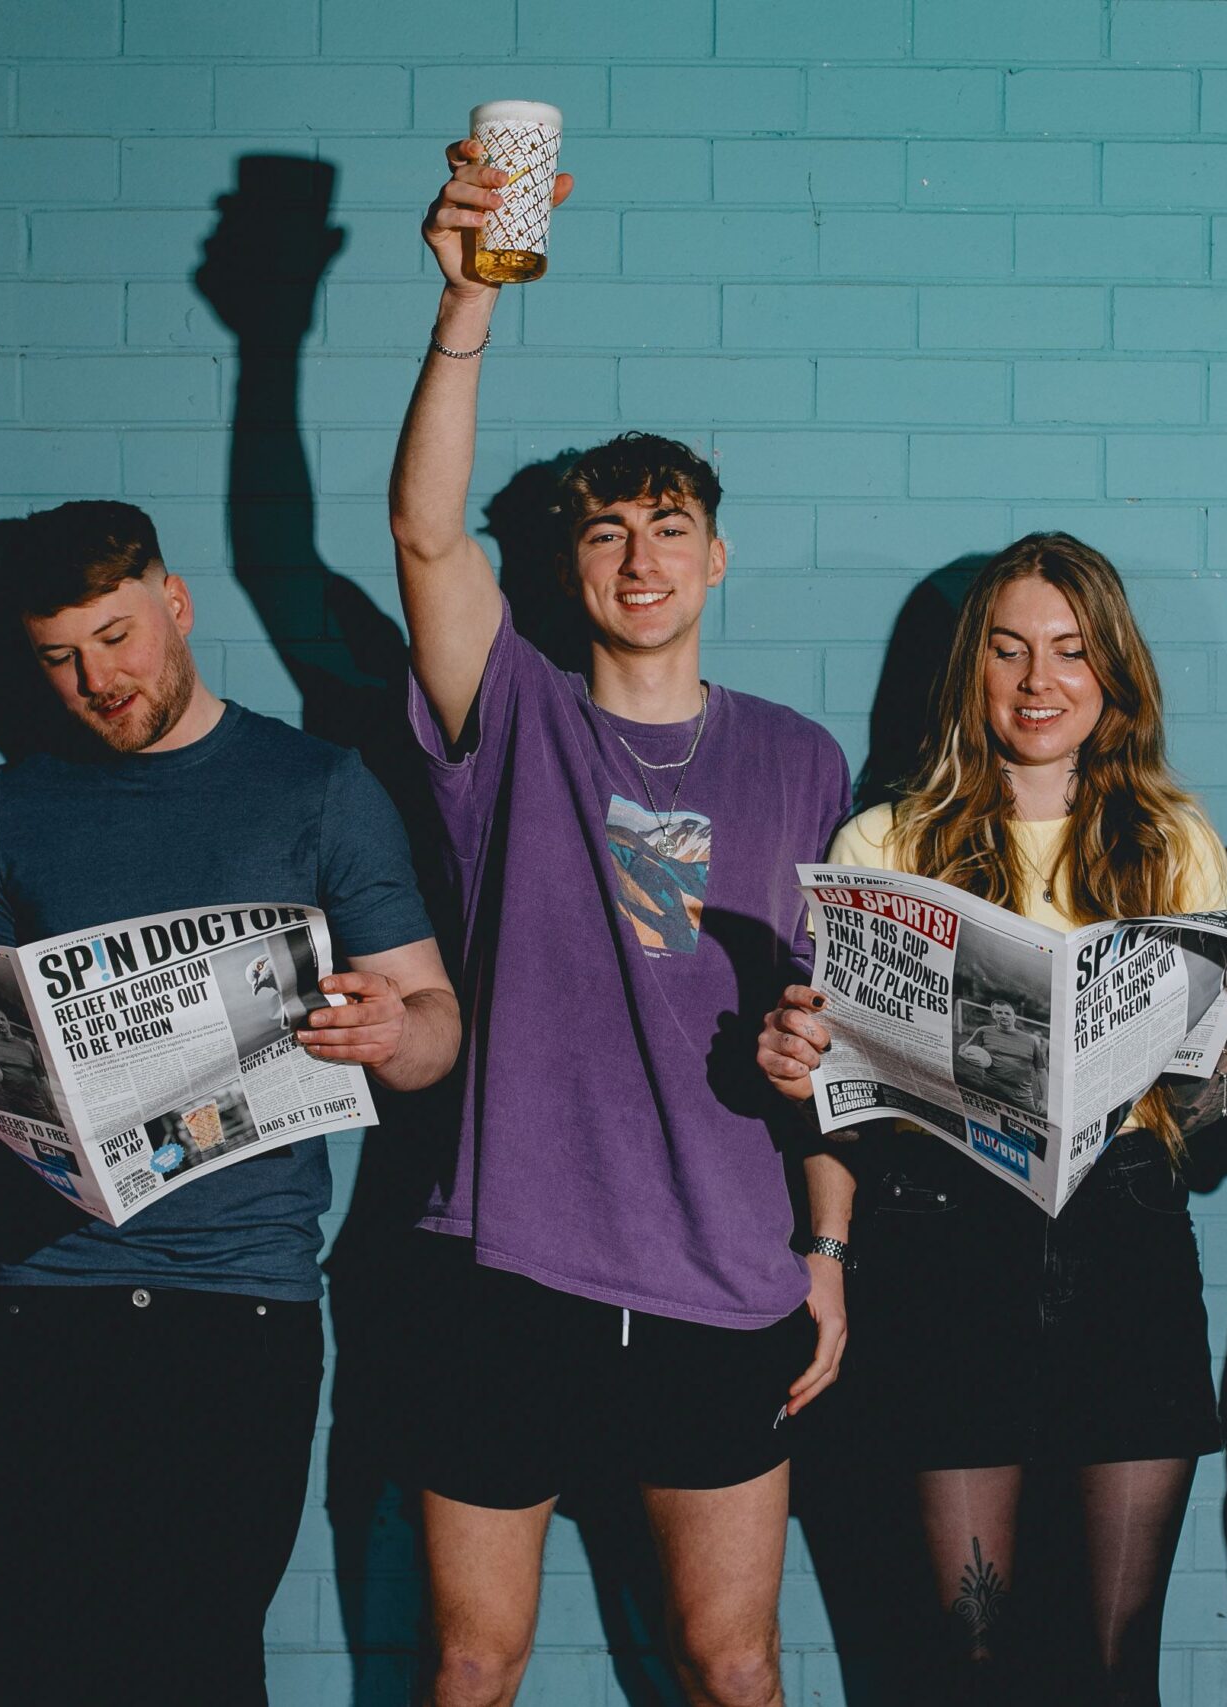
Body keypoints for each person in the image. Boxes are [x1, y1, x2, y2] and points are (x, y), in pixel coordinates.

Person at [0, 499, 460, 1705]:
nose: (95, 680)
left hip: (236, 1306)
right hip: (29, 1308)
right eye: (59, 658)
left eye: (116, 638)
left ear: (173, 606)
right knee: (21, 1667)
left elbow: (434, 1028)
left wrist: (391, 1029)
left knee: (198, 1663)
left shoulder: (319, 787)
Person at [392, 139, 859, 1707]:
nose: (641, 557)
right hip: (507, 1261)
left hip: (726, 1267)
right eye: (607, 532)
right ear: (569, 568)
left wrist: (828, 1243)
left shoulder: (799, 756)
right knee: (472, 1658)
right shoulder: (512, 712)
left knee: (733, 1664)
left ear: (715, 557)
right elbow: (424, 540)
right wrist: (467, 312)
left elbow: (833, 1030)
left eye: (669, 528)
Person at [753, 534, 1227, 1706]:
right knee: (968, 1658)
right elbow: (844, 1111)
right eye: (1009, 651)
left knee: (1113, 1663)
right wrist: (802, 1066)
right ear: (971, 671)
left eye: (1069, 652)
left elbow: (1199, 1124)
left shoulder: (1175, 842)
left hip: (1127, 1245)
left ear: (1112, 678)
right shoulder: (883, 843)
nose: (1038, 682)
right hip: (944, 1252)